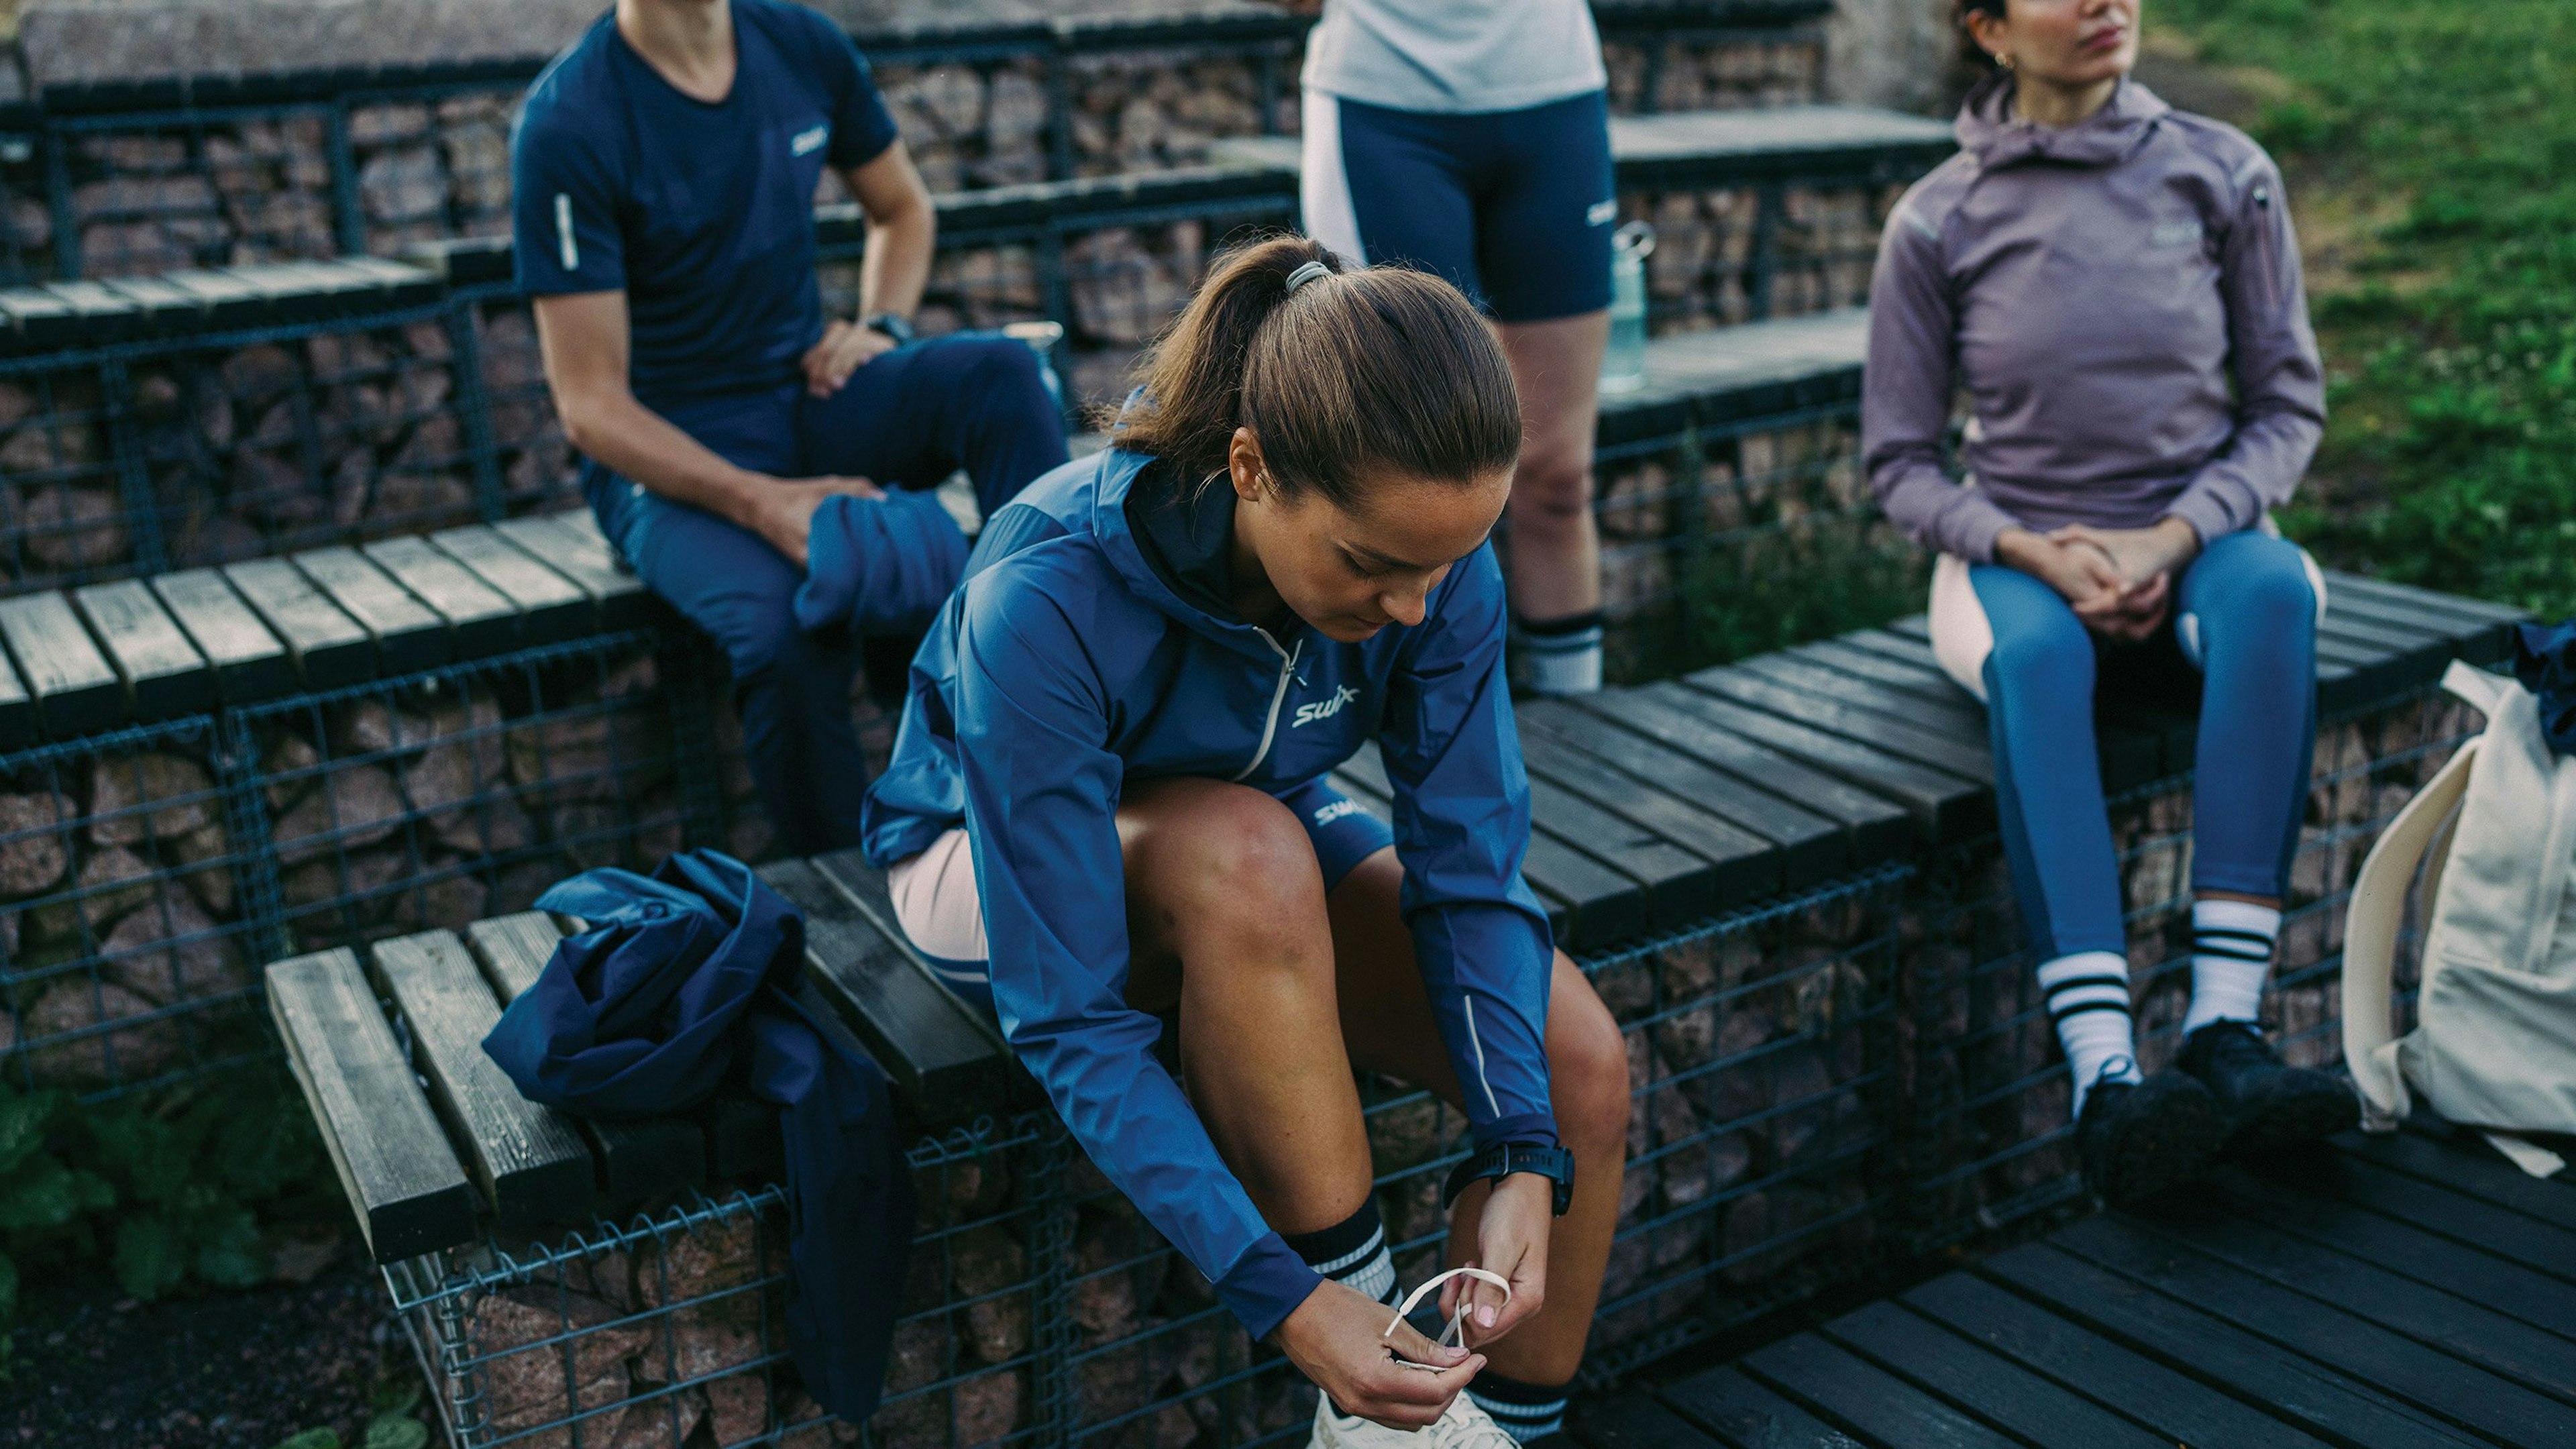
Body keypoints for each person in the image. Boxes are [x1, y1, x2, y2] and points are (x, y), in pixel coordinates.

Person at [859, 237, 1629, 1448]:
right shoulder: (1049, 590)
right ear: (1250, 467)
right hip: (974, 853)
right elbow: (1066, 1013)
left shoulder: (1431, 564)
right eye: (1372, 566)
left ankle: (1500, 1441)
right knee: (1249, 853)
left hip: (1242, 817)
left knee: (1574, 1064)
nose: (1415, 611)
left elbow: (1471, 868)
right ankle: (1381, 1422)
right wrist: (1291, 1299)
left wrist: (1522, 1148)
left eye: (1445, 564)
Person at [1862, 0, 2355, 1205]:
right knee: (2039, 667)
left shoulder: (2223, 172)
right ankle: (2106, 1086)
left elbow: (2287, 405)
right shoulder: (1938, 218)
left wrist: (2174, 537)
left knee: (2279, 591)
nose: (2105, 2)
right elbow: (1902, 463)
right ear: (1986, 27)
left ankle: (2226, 1034)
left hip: (2199, 541)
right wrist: (2029, 548)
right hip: (2020, 562)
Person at [511, 0, 1069, 855]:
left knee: (1001, 375)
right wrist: (759, 503)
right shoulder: (570, 123)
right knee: (784, 632)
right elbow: (591, 407)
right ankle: (860, 899)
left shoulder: (798, 42)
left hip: (806, 391)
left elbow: (903, 210)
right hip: (669, 458)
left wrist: (880, 323)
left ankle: (1050, 702)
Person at [1285, 0, 1619, 696]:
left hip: (1552, 94)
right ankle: (1418, 734)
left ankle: (1583, 728)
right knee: (1406, 475)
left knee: (1559, 479)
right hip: (1384, 104)